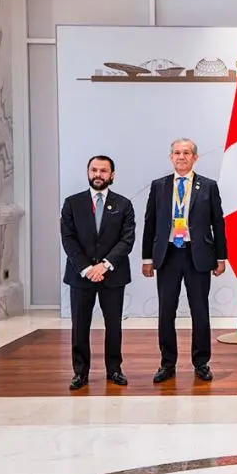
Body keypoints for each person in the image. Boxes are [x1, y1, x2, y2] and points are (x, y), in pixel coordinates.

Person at [142, 138, 227, 383]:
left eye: (187, 153)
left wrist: (221, 257)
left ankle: (201, 363)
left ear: (195, 158)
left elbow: (218, 223)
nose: (181, 156)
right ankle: (167, 363)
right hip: (167, 254)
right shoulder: (159, 186)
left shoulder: (208, 186)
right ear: (171, 157)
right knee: (166, 311)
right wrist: (147, 258)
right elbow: (150, 223)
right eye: (177, 153)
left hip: (197, 255)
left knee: (199, 310)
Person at [60, 155, 135, 390]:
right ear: (87, 172)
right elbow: (68, 239)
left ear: (112, 175)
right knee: (80, 325)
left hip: (113, 275)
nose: (98, 175)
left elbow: (127, 239)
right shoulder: (72, 203)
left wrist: (105, 265)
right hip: (81, 275)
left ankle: (114, 369)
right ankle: (80, 372)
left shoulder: (124, 204)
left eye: (103, 171)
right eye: (94, 170)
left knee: (114, 325)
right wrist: (87, 268)